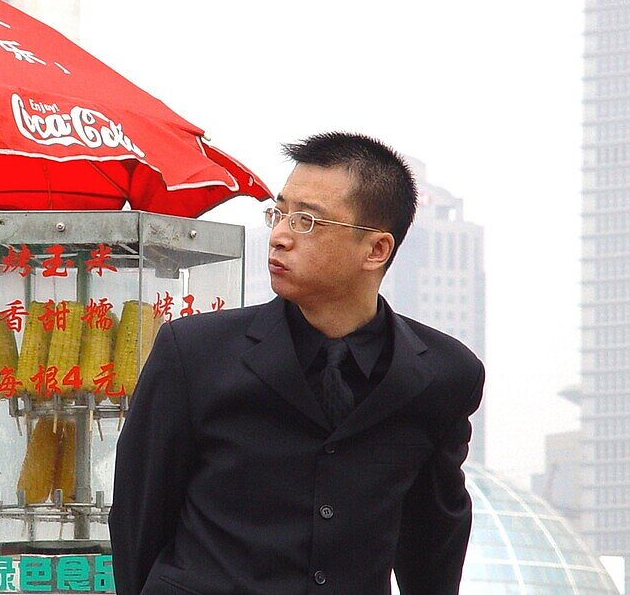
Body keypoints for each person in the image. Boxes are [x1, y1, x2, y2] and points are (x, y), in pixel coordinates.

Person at [109, 132, 485, 595]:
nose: (280, 236)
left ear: (376, 251)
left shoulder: (443, 376)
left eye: (308, 221)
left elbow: (434, 540)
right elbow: (137, 517)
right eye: (279, 213)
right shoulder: (193, 353)